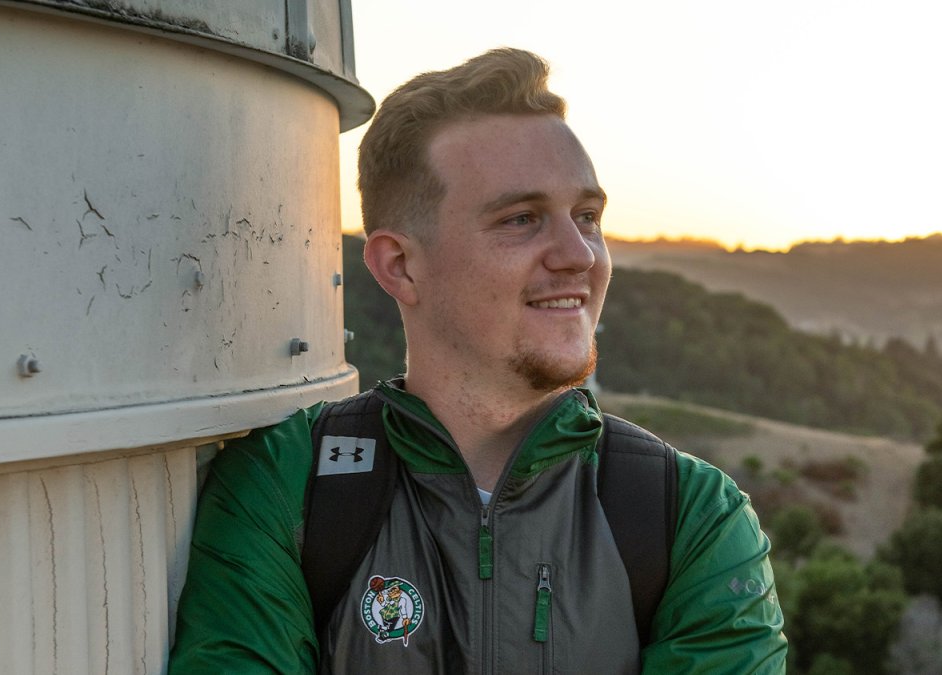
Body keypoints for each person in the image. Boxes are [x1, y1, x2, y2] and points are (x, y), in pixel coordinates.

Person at [169, 48, 787, 674]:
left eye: (588, 218)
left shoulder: (690, 516)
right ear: (401, 266)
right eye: (522, 219)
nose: (579, 255)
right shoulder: (286, 484)